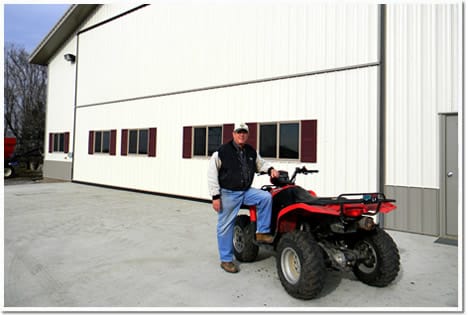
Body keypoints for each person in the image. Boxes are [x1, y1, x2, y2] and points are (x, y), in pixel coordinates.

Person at [207, 122, 279, 273]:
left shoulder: (251, 151)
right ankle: (226, 260)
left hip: (246, 191)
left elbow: (261, 164)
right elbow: (212, 174)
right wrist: (215, 196)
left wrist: (271, 169)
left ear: (247, 135)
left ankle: (262, 232)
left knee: (266, 197)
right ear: (233, 134)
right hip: (228, 193)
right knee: (225, 226)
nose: (241, 135)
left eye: (244, 132)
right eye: (239, 132)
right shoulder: (222, 152)